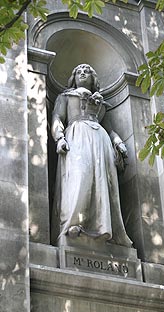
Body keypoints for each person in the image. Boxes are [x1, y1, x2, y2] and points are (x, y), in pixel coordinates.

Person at [51, 64, 132, 247]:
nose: (82, 73)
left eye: (86, 71)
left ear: (93, 78)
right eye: (78, 71)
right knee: (80, 177)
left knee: (102, 181)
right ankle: (74, 223)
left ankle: (102, 227)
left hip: (100, 140)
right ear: (73, 77)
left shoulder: (101, 102)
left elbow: (109, 128)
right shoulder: (65, 97)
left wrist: (118, 142)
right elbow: (57, 117)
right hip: (76, 136)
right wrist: (59, 138)